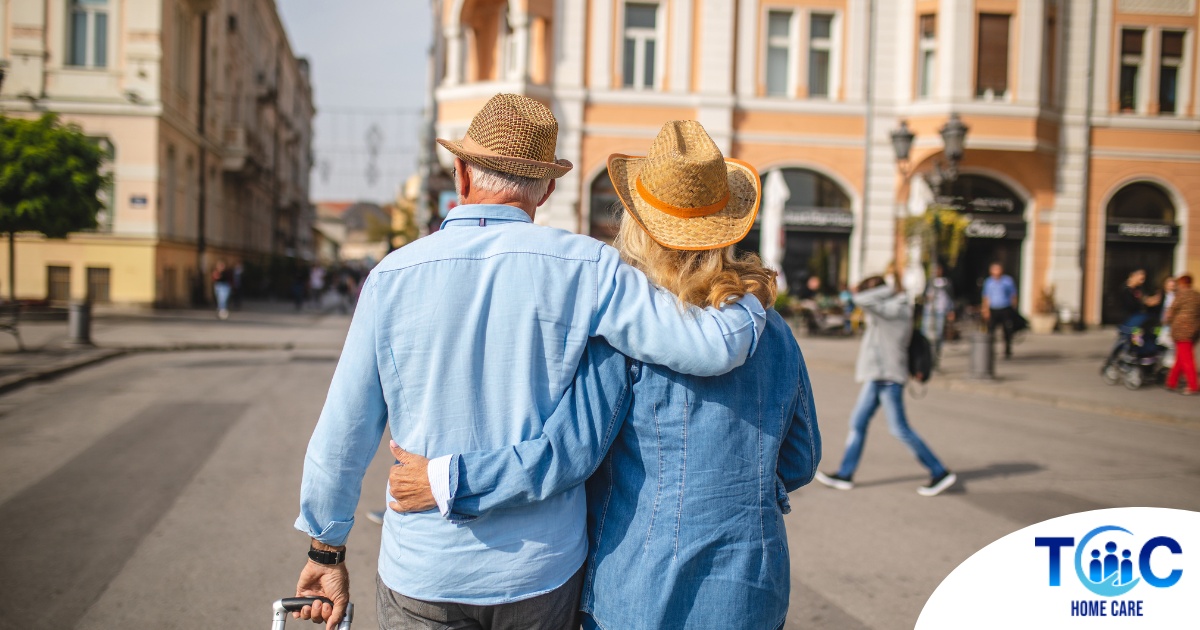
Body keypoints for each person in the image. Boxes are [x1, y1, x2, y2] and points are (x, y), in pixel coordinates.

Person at [291, 96, 767, 630]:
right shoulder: (588, 267)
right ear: (547, 189)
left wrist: (324, 551)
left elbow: (342, 435)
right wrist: (749, 292)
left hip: (424, 569)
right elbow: (710, 347)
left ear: (461, 174)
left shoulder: (392, 276)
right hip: (540, 570)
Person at [385, 120, 820, 629]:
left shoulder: (628, 333)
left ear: (638, 222)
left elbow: (566, 455)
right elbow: (800, 458)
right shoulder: (772, 329)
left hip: (641, 585)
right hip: (753, 588)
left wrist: (448, 479)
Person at [815, 274, 957, 496]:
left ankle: (939, 472)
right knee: (858, 422)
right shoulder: (887, 308)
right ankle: (845, 474)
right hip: (877, 376)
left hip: (889, 377)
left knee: (899, 428)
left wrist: (885, 289)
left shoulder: (896, 310)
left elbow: (861, 299)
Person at [1105, 269, 1163, 368]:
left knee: (1141, 339)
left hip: (1138, 321)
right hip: (1128, 321)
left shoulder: (1139, 289)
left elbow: (1144, 300)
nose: (1142, 281)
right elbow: (1130, 305)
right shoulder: (1125, 290)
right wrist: (1145, 302)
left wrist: (1151, 301)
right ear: (1132, 276)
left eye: (1143, 279)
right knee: (1127, 340)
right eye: (1140, 278)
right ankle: (1113, 360)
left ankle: (1142, 357)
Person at [1164, 274, 1198, 395]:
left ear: (1182, 284)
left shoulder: (1181, 295)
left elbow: (1171, 311)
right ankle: (1171, 382)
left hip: (1181, 330)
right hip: (1193, 330)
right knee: (1181, 357)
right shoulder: (1196, 295)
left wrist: (1166, 321)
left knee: (1187, 360)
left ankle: (1193, 385)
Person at [923, 264, 954, 362]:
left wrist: (951, 311)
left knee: (939, 334)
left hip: (941, 311)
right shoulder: (929, 282)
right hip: (929, 311)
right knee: (926, 333)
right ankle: (927, 355)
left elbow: (951, 297)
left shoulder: (946, 282)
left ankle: (936, 354)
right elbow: (924, 296)